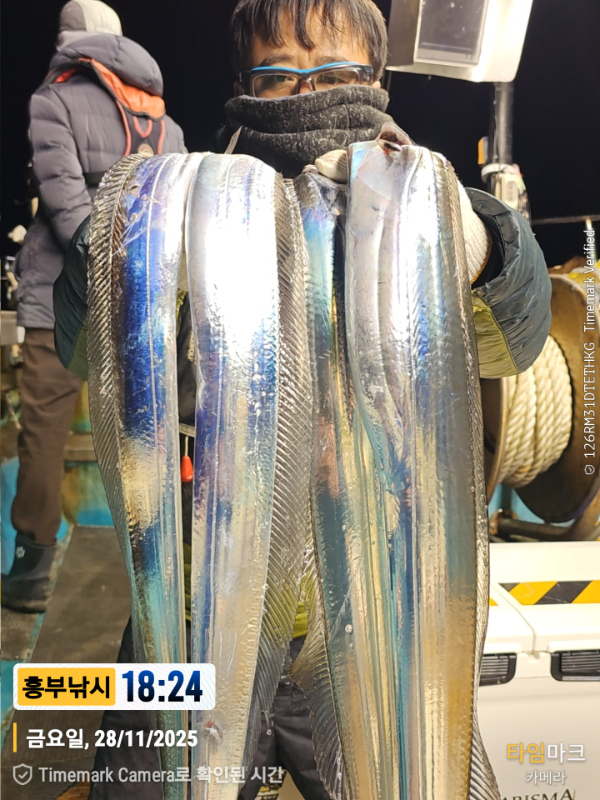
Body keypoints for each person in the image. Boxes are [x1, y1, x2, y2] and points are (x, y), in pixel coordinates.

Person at [53, 0, 551, 797]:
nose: (307, 94)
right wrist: (119, 245)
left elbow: (513, 341)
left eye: (335, 73)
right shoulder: (190, 204)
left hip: (373, 618)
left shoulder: (420, 205)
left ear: (377, 80)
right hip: (196, 612)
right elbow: (82, 345)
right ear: (243, 87)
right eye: (278, 76)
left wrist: (486, 248)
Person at [2, 0, 185, 614]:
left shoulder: (52, 100)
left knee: (45, 433)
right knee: (144, 433)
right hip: (138, 300)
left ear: (68, 40)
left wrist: (96, 269)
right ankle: (154, 566)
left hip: (58, 297)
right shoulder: (163, 119)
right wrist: (132, 278)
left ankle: (32, 569)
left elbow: (64, 204)